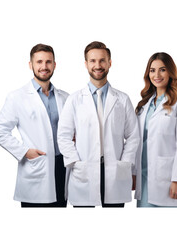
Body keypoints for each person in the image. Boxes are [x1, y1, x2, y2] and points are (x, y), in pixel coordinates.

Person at [57, 41, 139, 207]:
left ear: (109, 63)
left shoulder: (122, 99)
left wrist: (124, 163)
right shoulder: (74, 99)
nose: (98, 65)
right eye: (93, 61)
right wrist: (75, 162)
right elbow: (63, 136)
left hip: (114, 171)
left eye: (102, 60)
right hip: (84, 171)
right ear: (86, 64)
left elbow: (133, 136)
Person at [0, 44, 69, 207]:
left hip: (62, 168)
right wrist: (25, 152)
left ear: (55, 65)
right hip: (37, 167)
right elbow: (0, 132)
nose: (44, 67)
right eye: (39, 62)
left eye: (48, 62)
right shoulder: (17, 97)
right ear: (31, 65)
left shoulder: (65, 97)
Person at [133, 52, 177, 207]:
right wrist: (133, 173)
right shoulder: (143, 105)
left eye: (162, 70)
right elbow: (137, 141)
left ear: (170, 72)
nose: (156, 75)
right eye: (152, 70)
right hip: (144, 177)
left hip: (167, 179)